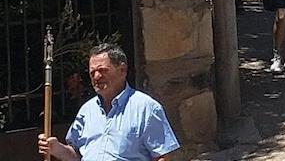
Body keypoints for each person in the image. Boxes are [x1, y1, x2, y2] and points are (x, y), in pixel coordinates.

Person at [38, 43, 180, 161]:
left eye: (102, 70)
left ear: (122, 70)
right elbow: (77, 154)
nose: (97, 76)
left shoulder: (146, 108)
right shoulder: (87, 111)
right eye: (92, 72)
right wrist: (56, 148)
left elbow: (164, 156)